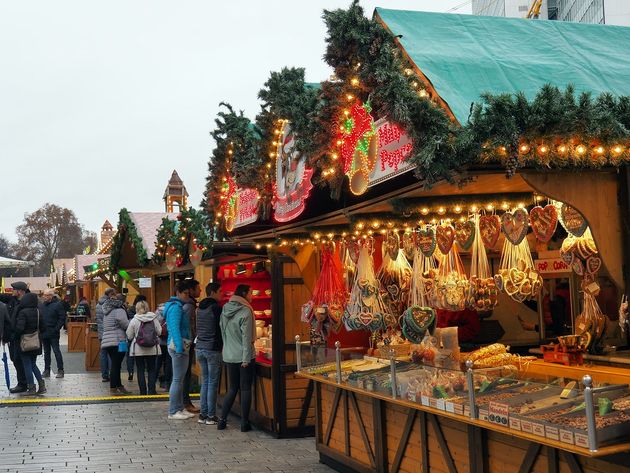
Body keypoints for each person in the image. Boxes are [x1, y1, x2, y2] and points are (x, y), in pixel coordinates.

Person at [217, 284, 255, 432]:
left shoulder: (225, 309)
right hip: (243, 356)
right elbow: (247, 338)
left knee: (232, 388)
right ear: (245, 294)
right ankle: (244, 423)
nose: (251, 296)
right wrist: (246, 359)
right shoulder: (246, 311)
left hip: (229, 354)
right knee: (245, 389)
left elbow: (223, 332)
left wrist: (226, 350)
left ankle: (222, 420)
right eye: (251, 293)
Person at [165, 281, 194, 420]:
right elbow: (174, 328)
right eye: (185, 293)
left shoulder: (176, 306)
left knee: (179, 379)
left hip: (179, 345)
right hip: (178, 346)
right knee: (177, 379)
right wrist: (179, 346)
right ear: (178, 293)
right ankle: (173, 410)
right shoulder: (176, 308)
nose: (187, 296)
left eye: (188, 293)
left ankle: (179, 408)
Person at [195, 282, 223, 424]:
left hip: (199, 347)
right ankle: (211, 416)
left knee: (205, 382)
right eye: (220, 291)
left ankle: (203, 414)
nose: (222, 294)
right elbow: (221, 329)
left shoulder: (199, 308)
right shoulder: (216, 308)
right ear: (213, 292)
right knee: (212, 383)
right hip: (212, 348)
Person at [126, 300, 162, 395]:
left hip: (138, 349)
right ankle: (152, 390)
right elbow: (159, 332)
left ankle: (143, 391)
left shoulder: (134, 320)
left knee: (140, 369)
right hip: (152, 348)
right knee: (151, 369)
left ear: (137, 308)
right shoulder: (154, 318)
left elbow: (129, 335)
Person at [14, 292, 45, 395]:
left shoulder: (23, 312)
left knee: (27, 365)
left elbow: (20, 328)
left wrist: (15, 334)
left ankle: (31, 388)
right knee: (33, 364)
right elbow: (43, 327)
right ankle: (41, 385)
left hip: (25, 343)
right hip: (36, 342)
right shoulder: (38, 311)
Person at [101, 293, 132, 396]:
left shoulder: (107, 310)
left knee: (116, 364)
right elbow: (125, 324)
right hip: (117, 340)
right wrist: (131, 322)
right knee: (116, 364)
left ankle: (118, 386)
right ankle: (113, 387)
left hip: (107, 340)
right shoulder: (119, 310)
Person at [2, 282, 29, 393]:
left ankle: (24, 384)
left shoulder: (27, 302)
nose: (12, 291)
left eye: (14, 289)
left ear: (20, 291)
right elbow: (1, 296)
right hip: (12, 337)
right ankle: (23, 382)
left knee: (21, 360)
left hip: (22, 337)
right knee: (15, 359)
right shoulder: (12, 300)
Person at [182, 279, 201, 413]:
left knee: (184, 373)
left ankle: (184, 402)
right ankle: (185, 402)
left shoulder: (189, 305)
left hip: (186, 343)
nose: (200, 291)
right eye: (198, 288)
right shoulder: (189, 306)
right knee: (185, 373)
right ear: (191, 291)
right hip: (186, 344)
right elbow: (189, 327)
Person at [40, 289, 66, 378]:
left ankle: (60, 370)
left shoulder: (57, 305)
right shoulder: (42, 305)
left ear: (51, 296)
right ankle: (46, 370)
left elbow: (62, 318)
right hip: (44, 332)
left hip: (53, 333)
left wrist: (56, 329)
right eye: (44, 295)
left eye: (47, 295)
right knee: (46, 352)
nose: (45, 297)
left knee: (56, 351)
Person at [125, 295, 147, 382]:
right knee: (142, 358)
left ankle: (130, 372)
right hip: (144, 337)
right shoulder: (147, 314)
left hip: (132, 336)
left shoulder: (130, 311)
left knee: (130, 355)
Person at [96, 288, 115, 382]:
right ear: (111, 294)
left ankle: (104, 375)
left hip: (101, 332)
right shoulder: (110, 305)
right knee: (111, 354)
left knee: (103, 354)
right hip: (110, 332)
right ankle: (112, 374)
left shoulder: (98, 305)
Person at [155, 303, 172, 390]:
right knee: (168, 362)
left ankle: (153, 382)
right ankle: (167, 383)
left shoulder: (157, 312)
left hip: (159, 341)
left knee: (158, 362)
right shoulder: (170, 310)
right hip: (169, 341)